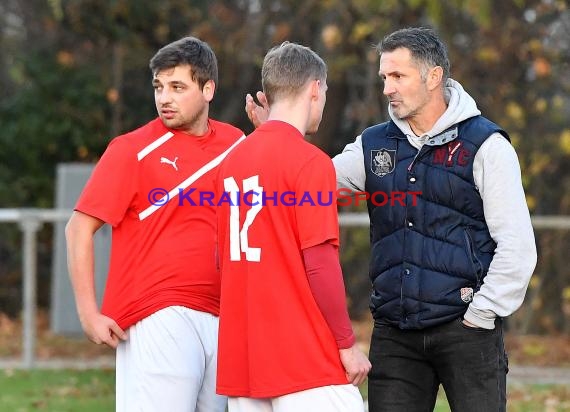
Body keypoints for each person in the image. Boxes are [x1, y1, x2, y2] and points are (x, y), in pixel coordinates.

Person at [246, 27, 537, 412]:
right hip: (394, 333)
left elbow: (517, 246)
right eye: (385, 77)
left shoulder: (486, 146)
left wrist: (481, 314)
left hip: (467, 330)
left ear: (434, 77)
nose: (387, 88)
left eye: (398, 76)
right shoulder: (373, 143)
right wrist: (275, 134)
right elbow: (309, 180)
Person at [65, 36, 245, 412]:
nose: (164, 97)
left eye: (177, 87)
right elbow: (78, 227)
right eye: (159, 87)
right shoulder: (131, 149)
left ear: (208, 88)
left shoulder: (236, 143)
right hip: (157, 315)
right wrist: (88, 313)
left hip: (224, 315)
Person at [216, 42, 371, 412]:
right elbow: (319, 263)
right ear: (315, 88)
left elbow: (222, 260)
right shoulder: (310, 163)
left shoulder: (231, 162)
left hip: (246, 358)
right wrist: (346, 344)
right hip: (302, 355)